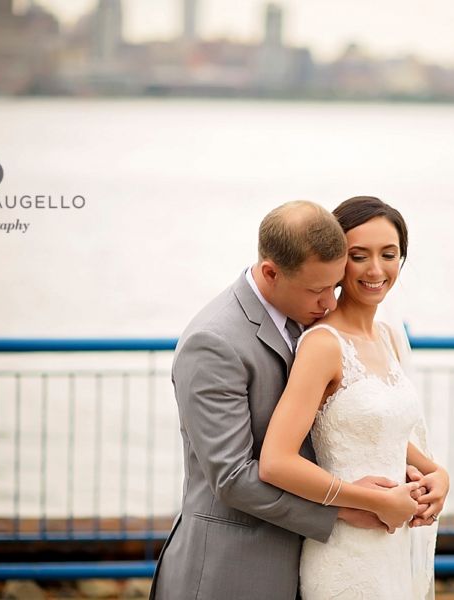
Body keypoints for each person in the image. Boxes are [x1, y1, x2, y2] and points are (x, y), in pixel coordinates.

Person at [150, 201, 410, 600]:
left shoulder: (312, 323)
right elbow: (232, 476)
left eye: (335, 286)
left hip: (310, 565)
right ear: (271, 272)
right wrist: (342, 507)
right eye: (317, 289)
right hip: (231, 572)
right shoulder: (213, 342)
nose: (329, 303)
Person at [260, 196, 449, 600]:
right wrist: (371, 501)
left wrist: (437, 475)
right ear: (337, 260)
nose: (376, 270)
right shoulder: (322, 345)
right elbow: (276, 462)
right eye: (359, 255)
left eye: (389, 254)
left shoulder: (391, 338)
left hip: (393, 546)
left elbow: (387, 431)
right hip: (345, 550)